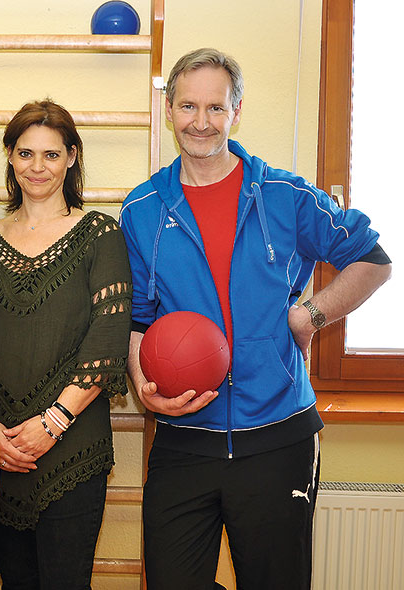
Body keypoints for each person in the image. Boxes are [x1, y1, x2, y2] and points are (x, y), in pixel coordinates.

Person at [119, 48, 393, 590]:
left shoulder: (286, 196)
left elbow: (373, 262)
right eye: (189, 107)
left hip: (278, 436)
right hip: (183, 436)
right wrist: (141, 383)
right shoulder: (143, 209)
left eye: (216, 108)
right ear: (170, 108)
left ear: (237, 111)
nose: (201, 122)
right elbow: (139, 318)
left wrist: (311, 313)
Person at [0, 100, 132, 589]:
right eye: (25, 153)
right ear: (10, 156)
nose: (37, 167)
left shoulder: (100, 234)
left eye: (51, 155)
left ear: (71, 157)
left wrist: (53, 423)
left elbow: (108, 339)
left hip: (73, 445)